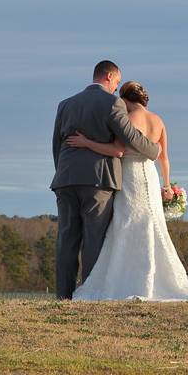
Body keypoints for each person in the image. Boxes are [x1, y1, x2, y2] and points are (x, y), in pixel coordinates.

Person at [67, 80, 188, 304]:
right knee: (151, 223)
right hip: (150, 175)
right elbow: (164, 158)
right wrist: (167, 186)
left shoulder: (127, 119)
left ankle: (126, 279)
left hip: (130, 177)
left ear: (126, 99)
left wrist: (86, 143)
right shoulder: (158, 121)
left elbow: (117, 151)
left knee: (126, 222)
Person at [51, 60, 162, 300]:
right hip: (98, 180)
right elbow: (129, 136)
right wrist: (153, 150)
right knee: (94, 240)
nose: (117, 87)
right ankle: (90, 294)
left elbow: (56, 146)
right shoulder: (113, 103)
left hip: (66, 178)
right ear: (109, 76)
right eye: (117, 82)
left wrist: (63, 172)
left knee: (67, 238)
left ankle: (63, 296)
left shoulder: (65, 104)